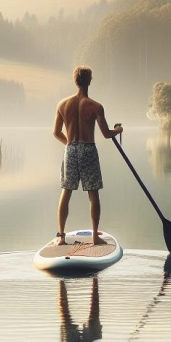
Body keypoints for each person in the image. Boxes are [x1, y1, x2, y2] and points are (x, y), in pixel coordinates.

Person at [52, 66, 122, 246]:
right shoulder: (95, 106)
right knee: (93, 193)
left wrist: (70, 144)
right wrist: (118, 130)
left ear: (75, 80)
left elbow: (56, 132)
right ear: (89, 80)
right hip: (88, 149)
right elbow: (106, 133)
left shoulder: (62, 104)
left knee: (66, 192)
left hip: (70, 149)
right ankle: (94, 237)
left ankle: (61, 238)